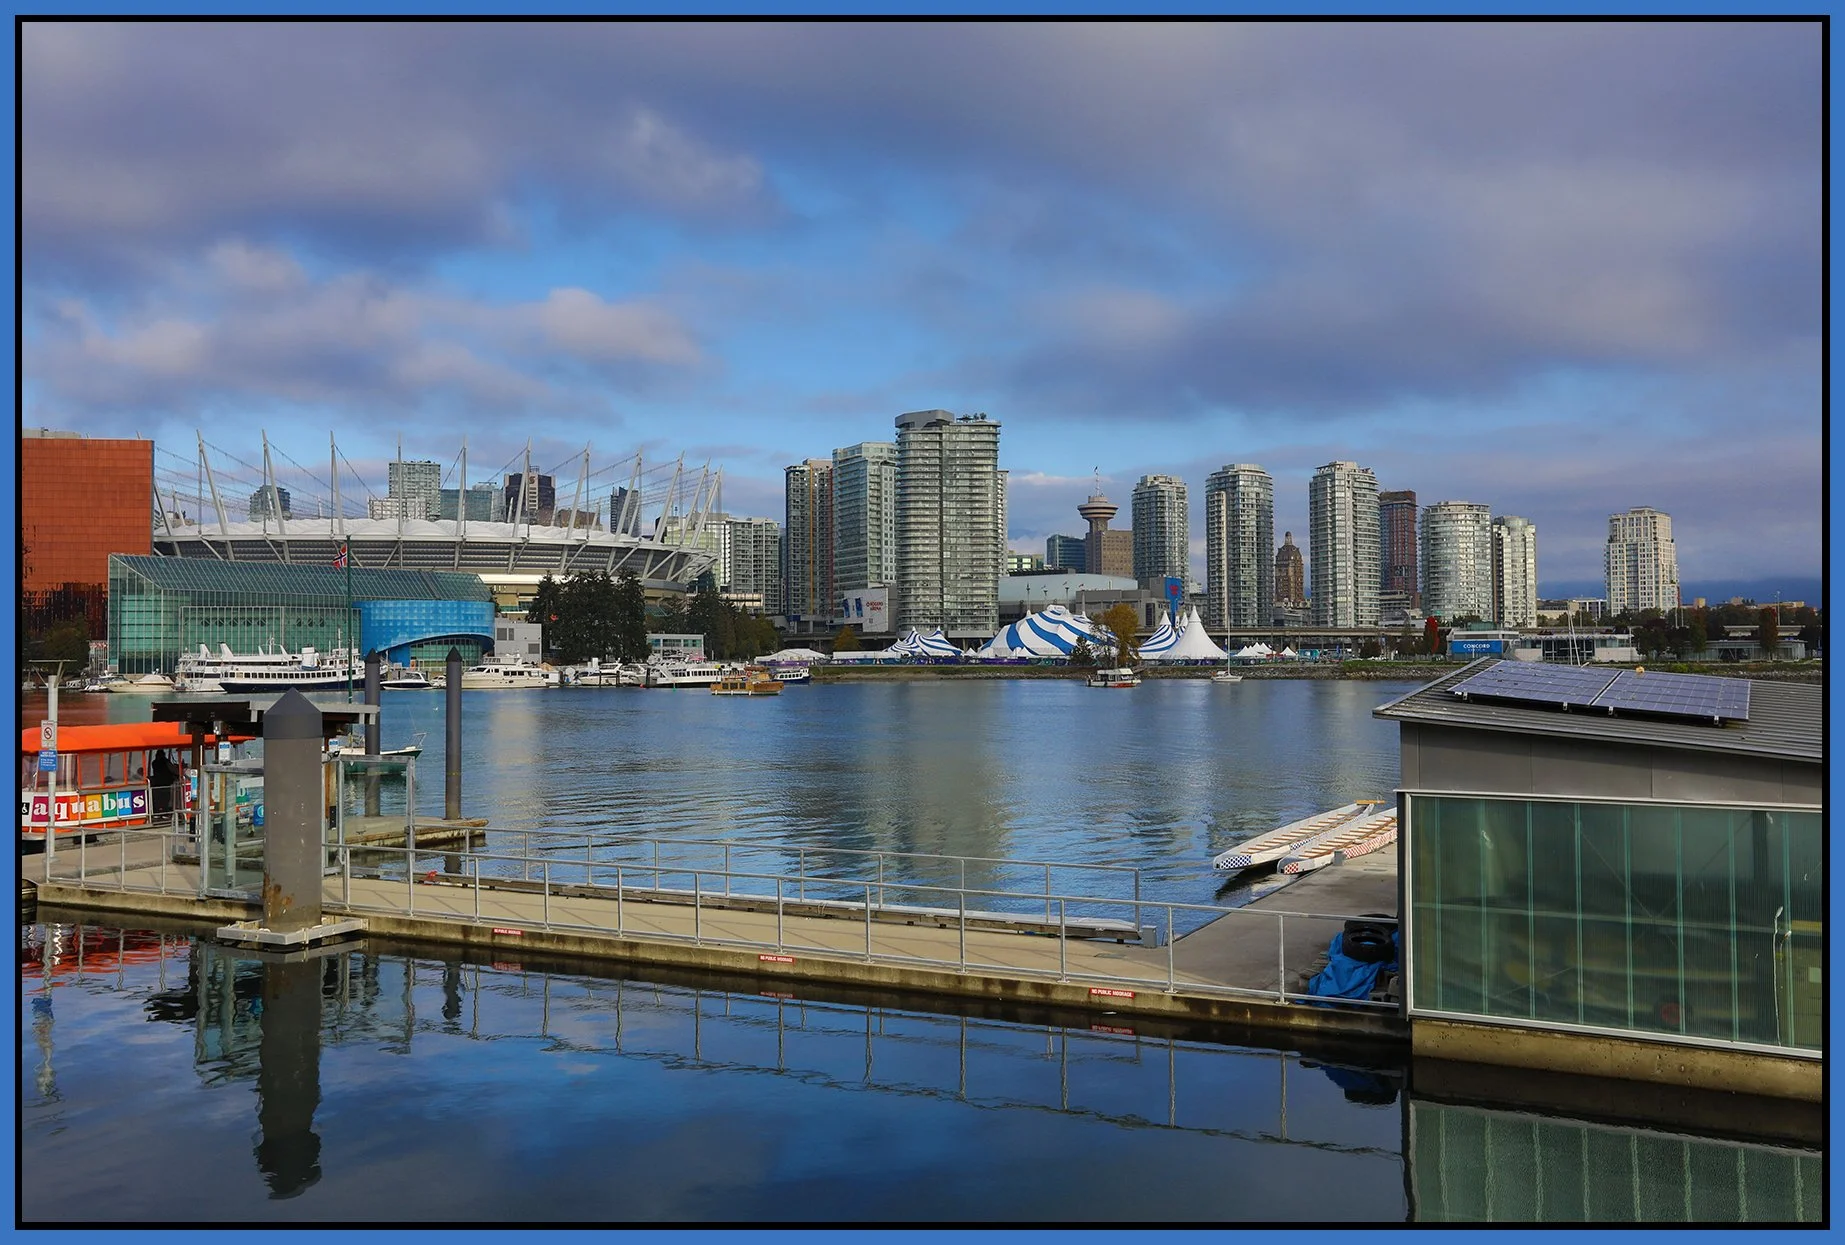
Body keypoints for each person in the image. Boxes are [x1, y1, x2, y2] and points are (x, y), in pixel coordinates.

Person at [148, 750, 178, 818]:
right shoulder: (166, 762)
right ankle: (165, 813)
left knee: (158, 799)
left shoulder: (154, 763)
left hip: (157, 783)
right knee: (166, 799)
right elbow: (174, 770)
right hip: (166, 783)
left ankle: (158, 812)